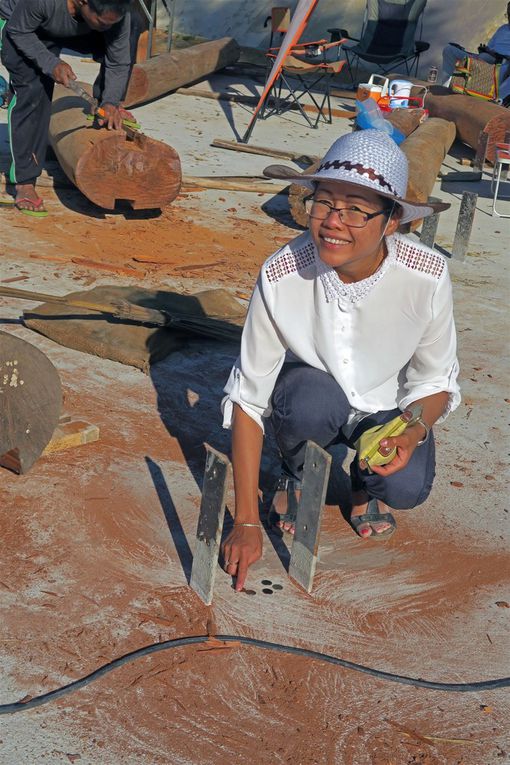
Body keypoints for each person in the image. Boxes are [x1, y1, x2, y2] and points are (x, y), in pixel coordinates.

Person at [220, 129, 461, 592]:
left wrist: (411, 432)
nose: (334, 221)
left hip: (387, 408)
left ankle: (362, 485)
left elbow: (435, 382)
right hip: (315, 393)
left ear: (391, 221)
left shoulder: (426, 277)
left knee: (405, 487)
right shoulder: (281, 273)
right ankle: (294, 469)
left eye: (356, 209)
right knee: (310, 398)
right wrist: (247, 522)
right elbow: (248, 397)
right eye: (325, 202)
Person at [0, 0, 139, 216]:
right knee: (34, 90)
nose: (108, 28)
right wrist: (51, 63)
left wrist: (111, 100)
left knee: (129, 28)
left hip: (70, 22)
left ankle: (103, 110)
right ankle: (24, 182)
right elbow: (19, 30)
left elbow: (119, 61)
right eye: (102, 22)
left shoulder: (115, 12)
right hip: (22, 25)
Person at [441, 2, 510, 100]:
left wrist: (495, 55)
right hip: (486, 60)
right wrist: (485, 50)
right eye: (508, 14)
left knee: (486, 58)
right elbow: (490, 48)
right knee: (449, 50)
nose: (508, 18)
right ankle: (444, 89)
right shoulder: (503, 29)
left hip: (502, 67)